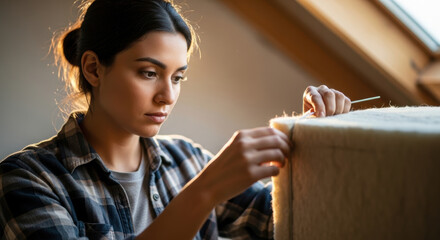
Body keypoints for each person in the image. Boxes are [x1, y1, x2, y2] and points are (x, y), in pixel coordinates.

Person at [0, 0, 352, 239]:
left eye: (178, 77)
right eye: (149, 73)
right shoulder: (27, 180)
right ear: (94, 68)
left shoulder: (188, 159)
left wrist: (315, 138)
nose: (168, 96)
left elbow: (289, 225)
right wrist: (203, 193)